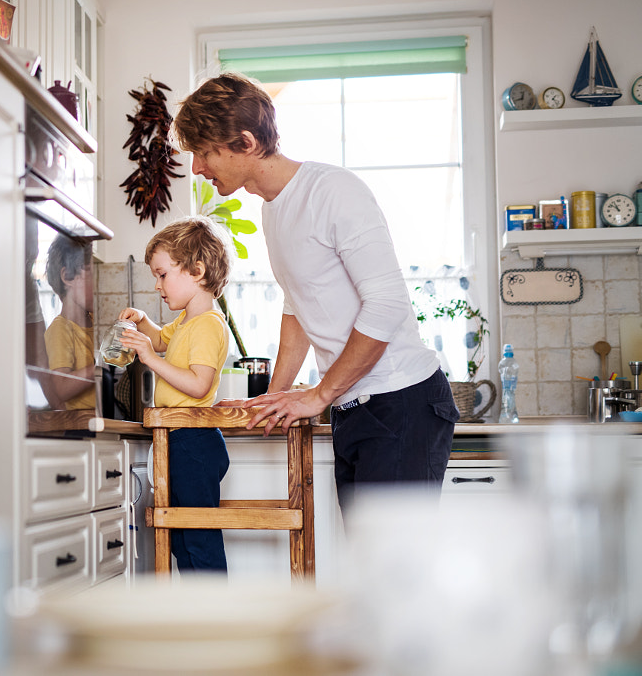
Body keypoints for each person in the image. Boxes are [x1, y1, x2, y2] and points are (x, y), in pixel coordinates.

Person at [172, 73, 459, 516]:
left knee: (396, 572)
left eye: (205, 152)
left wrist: (319, 394)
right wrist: (274, 394)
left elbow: (387, 304)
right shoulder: (273, 211)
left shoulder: (331, 191)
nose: (197, 168)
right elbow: (297, 307)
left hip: (400, 401)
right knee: (372, 566)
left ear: (246, 142)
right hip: (355, 408)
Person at [117, 216, 233, 572]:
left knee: (199, 540)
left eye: (162, 274)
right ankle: (196, 616)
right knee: (184, 541)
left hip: (194, 443)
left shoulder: (208, 325)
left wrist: (150, 360)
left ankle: (212, 621)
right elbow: (158, 339)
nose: (156, 284)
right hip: (180, 441)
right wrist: (142, 321)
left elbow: (198, 384)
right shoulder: (185, 322)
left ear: (196, 271)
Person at [43, 234, 96, 410]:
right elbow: (61, 388)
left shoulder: (97, 323)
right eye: (93, 274)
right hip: (80, 426)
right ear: (68, 277)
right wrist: (101, 366)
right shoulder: (60, 329)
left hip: (103, 420)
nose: (100, 282)